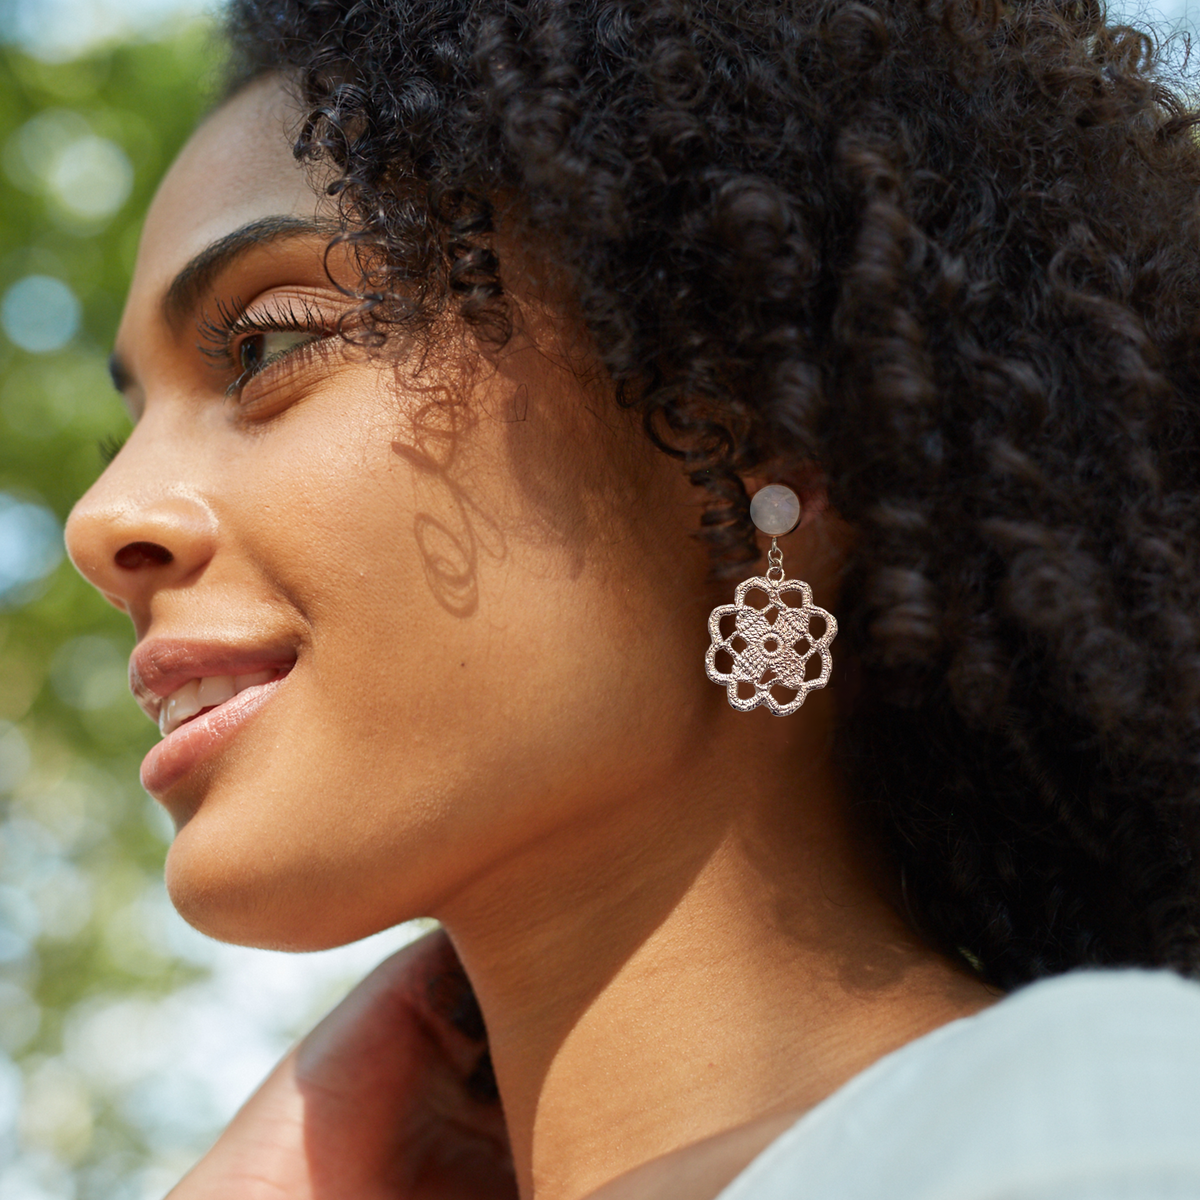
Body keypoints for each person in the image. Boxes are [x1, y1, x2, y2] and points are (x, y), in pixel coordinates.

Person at [63, 0, 1200, 1195]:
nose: (103, 520)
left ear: (755, 431)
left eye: (262, 348)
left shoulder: (1104, 1127)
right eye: (128, 425)